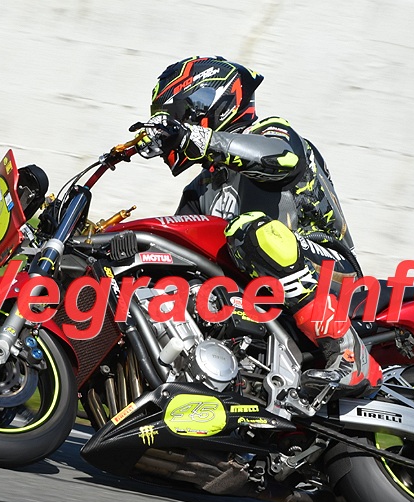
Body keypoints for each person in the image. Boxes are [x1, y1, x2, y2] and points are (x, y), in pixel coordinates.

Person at [137, 56, 382, 412]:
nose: (169, 128)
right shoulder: (200, 187)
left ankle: (348, 352)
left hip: (330, 270)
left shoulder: (273, 134)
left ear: (207, 104)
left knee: (250, 230)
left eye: (175, 116)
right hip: (261, 291)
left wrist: (198, 139)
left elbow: (281, 158)